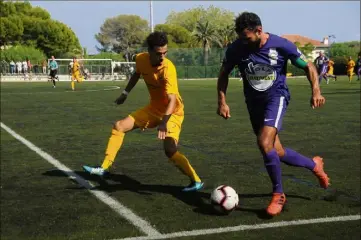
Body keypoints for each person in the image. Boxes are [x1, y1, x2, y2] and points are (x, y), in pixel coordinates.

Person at [216, 12, 329, 216]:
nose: (244, 41)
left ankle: (279, 195)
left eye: (247, 37)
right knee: (276, 151)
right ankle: (314, 165)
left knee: (264, 143)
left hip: (276, 97)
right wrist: (222, 101)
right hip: (253, 103)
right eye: (241, 37)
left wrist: (316, 91)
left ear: (259, 31)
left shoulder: (280, 45)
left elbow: (309, 66)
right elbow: (223, 74)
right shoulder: (236, 48)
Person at [83, 31, 204, 192]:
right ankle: (104, 168)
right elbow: (136, 74)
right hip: (153, 109)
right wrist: (125, 93)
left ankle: (196, 180)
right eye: (158, 53)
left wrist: (164, 122)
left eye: (165, 53)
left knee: (169, 150)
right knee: (119, 126)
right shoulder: (141, 59)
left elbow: (172, 100)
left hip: (173, 112)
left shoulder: (168, 69)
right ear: (149, 51)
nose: (162, 56)